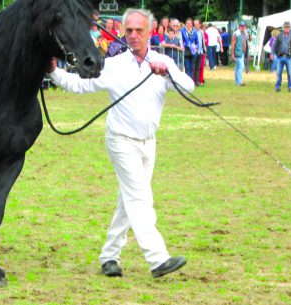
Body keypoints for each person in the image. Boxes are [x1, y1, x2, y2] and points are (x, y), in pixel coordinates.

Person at [48, 8, 192, 279]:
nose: (134, 36)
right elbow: (80, 84)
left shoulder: (163, 61)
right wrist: (55, 73)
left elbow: (189, 87)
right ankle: (158, 258)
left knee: (128, 202)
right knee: (140, 198)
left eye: (139, 31)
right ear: (123, 32)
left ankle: (109, 256)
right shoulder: (113, 65)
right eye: (129, 31)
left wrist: (167, 74)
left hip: (149, 143)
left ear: (150, 32)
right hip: (120, 141)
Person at [271, 21, 291, 92]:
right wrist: (272, 54)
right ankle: (277, 87)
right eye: (285, 27)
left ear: (290, 28)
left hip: (289, 57)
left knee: (290, 73)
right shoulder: (279, 35)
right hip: (280, 57)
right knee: (278, 73)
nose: (286, 28)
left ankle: (290, 87)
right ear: (283, 28)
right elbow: (274, 45)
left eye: (288, 27)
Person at [231, 21, 248, 86]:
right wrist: (232, 54)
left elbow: (249, 40)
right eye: (242, 26)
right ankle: (239, 82)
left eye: (244, 26)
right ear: (239, 27)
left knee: (238, 67)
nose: (243, 27)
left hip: (242, 52)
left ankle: (237, 82)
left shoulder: (245, 33)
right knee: (241, 66)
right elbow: (233, 44)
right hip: (238, 52)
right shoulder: (236, 33)